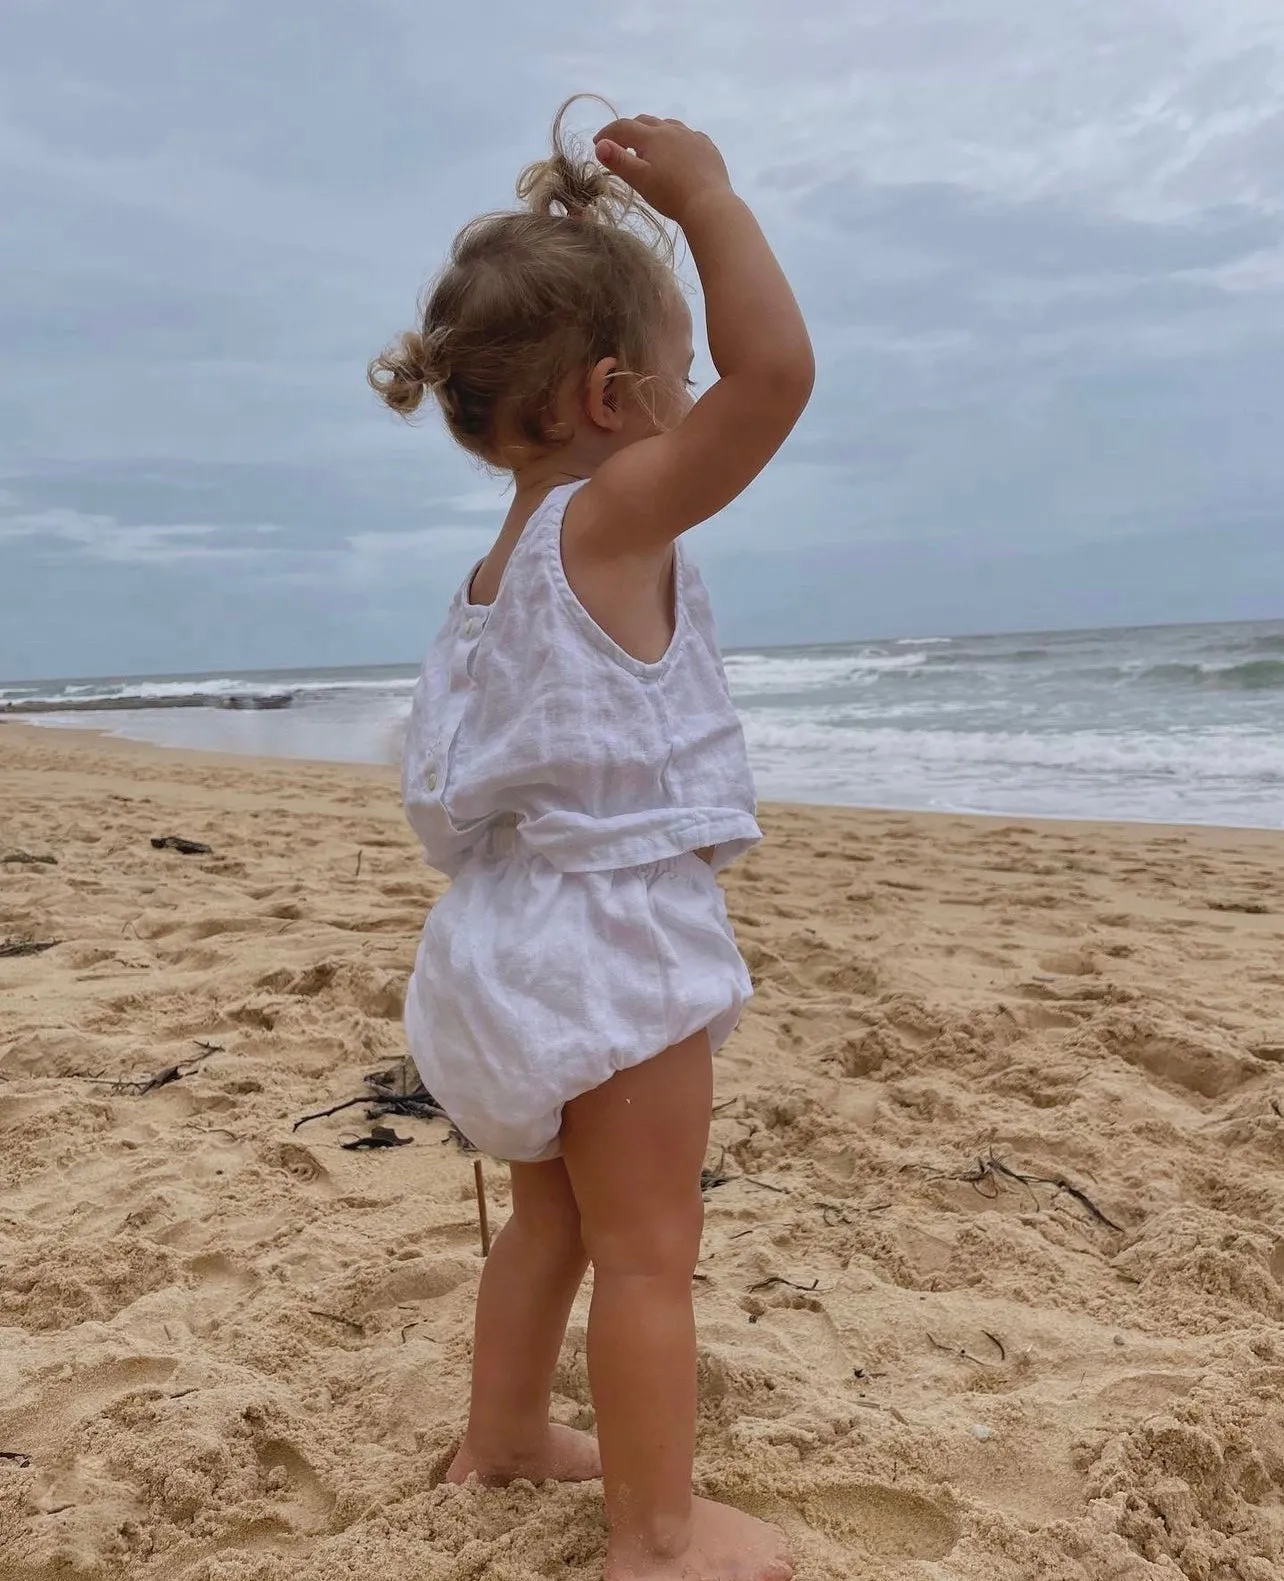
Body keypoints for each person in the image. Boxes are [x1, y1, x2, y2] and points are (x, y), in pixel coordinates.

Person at [370, 99, 813, 1581]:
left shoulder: (495, 568)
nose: (702, 400)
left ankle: (501, 1436)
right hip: (604, 943)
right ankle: (655, 1538)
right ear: (616, 398)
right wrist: (713, 203)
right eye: (676, 379)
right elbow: (783, 375)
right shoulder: (611, 520)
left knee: (553, 1225)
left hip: (500, 945)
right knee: (647, 1255)